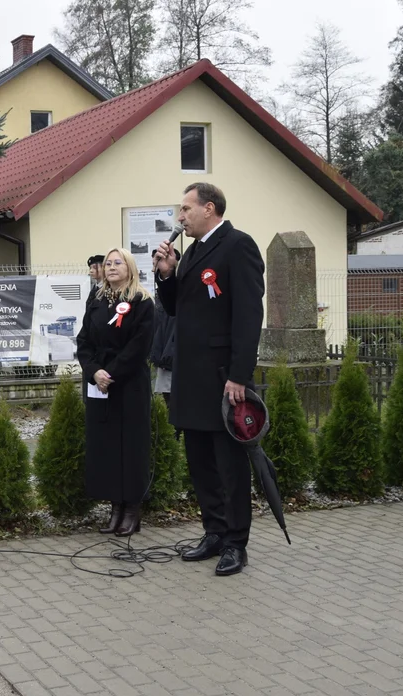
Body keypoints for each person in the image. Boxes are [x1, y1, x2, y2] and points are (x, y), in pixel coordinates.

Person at [154, 183, 265, 577]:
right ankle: (214, 532)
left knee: (229, 465)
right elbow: (175, 310)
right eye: (179, 211)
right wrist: (167, 276)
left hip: (222, 380)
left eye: (185, 209)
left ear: (209, 208)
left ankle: (237, 543)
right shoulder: (193, 253)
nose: (179, 217)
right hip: (190, 378)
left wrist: (239, 375)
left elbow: (249, 316)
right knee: (200, 463)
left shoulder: (238, 246)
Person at [76, 248, 155, 537]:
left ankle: (132, 510)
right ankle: (115, 509)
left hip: (129, 383)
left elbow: (139, 345)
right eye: (107, 263)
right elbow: (84, 341)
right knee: (107, 449)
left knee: (130, 448)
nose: (110, 267)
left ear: (130, 268)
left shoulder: (142, 301)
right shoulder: (96, 299)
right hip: (100, 385)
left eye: (117, 262)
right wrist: (94, 371)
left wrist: (113, 373)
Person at [150, 248, 181, 405]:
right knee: (167, 398)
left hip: (170, 356)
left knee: (173, 400)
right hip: (162, 354)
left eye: (157, 261)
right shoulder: (159, 290)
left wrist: (166, 355)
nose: (154, 265)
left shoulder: (174, 291)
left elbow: (172, 326)